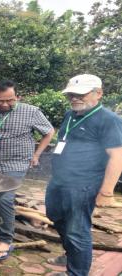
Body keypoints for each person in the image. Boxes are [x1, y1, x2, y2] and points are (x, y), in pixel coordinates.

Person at [45, 74, 122, 276]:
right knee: (55, 216)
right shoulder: (71, 114)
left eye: (81, 94)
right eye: (71, 94)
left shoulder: (109, 120)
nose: (75, 98)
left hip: (83, 185)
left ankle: (77, 272)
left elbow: (118, 156)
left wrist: (106, 192)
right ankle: (72, 254)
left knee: (77, 231)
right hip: (60, 180)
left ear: (99, 94)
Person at [0, 80, 54, 262]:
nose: (4, 104)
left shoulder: (31, 112)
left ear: (18, 97)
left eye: (9, 100)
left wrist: (37, 154)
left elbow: (49, 132)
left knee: (4, 198)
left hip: (15, 163)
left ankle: (5, 239)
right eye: (0, 101)